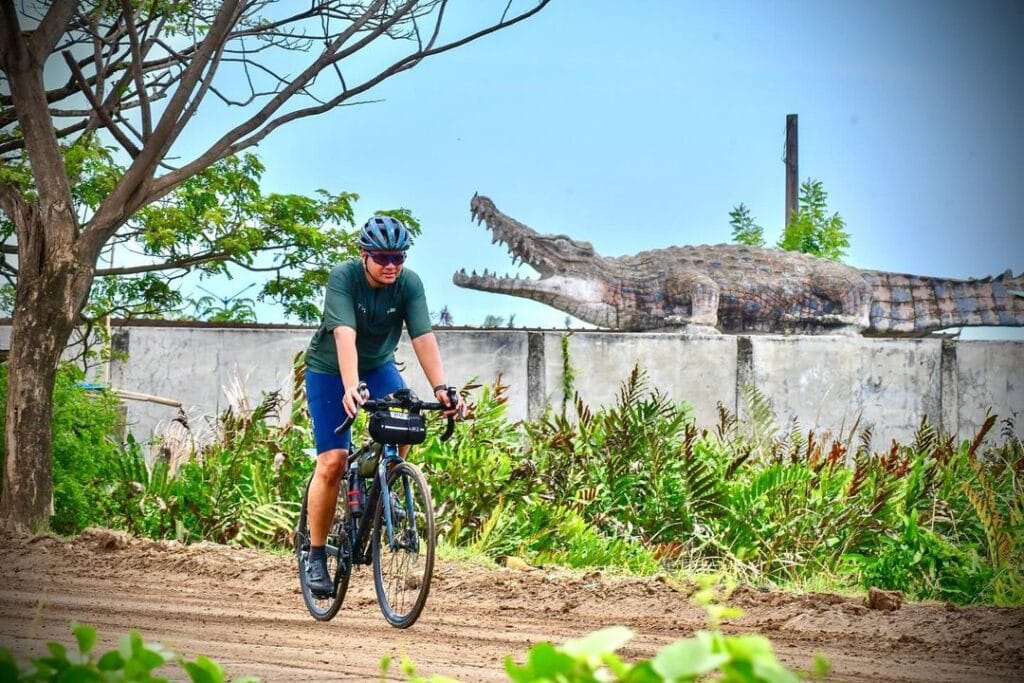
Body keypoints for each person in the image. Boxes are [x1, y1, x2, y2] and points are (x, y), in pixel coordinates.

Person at [302, 214, 464, 596]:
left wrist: (441, 388)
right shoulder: (343, 277)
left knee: (408, 420)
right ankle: (317, 554)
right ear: (364, 255)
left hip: (378, 366)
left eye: (399, 258)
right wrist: (349, 387)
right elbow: (344, 335)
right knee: (333, 462)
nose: (391, 265)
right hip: (329, 370)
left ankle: (385, 480)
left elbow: (423, 336)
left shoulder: (409, 284)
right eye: (383, 258)